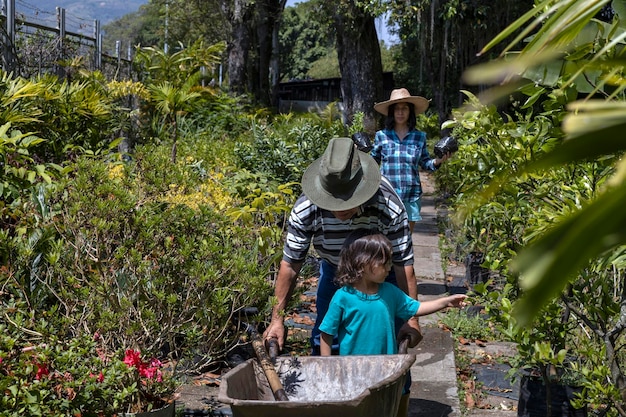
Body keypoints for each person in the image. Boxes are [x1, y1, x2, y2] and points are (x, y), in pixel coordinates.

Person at [263, 137, 422, 355]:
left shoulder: (388, 205)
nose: (340, 210)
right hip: (335, 269)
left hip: (382, 274)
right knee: (326, 339)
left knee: (388, 344)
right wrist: (277, 320)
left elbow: (403, 265)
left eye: (348, 200)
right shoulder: (306, 209)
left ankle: (396, 389)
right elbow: (290, 265)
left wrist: (410, 319)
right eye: (333, 201)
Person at [319, 230, 467, 417]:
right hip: (353, 372)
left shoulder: (390, 292)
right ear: (363, 263)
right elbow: (326, 333)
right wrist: (327, 365)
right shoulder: (343, 297)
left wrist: (445, 302)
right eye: (384, 262)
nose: (389, 267)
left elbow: (416, 308)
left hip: (386, 370)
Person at [371, 88, 452, 234]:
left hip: (411, 195)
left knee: (405, 239)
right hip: (386, 195)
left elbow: (425, 162)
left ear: (410, 112)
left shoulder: (419, 137)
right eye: (397, 109)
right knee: (384, 240)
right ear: (392, 112)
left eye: (404, 109)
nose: (400, 112)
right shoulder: (381, 136)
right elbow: (372, 162)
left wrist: (438, 161)